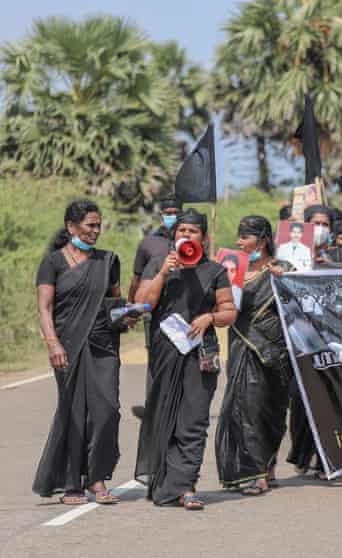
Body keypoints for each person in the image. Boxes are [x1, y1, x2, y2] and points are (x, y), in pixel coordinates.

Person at [134, 209, 237, 510]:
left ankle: (187, 487)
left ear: (204, 237)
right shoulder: (158, 264)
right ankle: (166, 485)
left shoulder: (215, 270)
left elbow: (230, 311)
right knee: (164, 415)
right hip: (165, 353)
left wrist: (209, 317)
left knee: (193, 420)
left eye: (193, 232)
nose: (186, 236)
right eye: (181, 231)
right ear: (173, 235)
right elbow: (143, 303)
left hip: (199, 354)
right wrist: (164, 273)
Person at [34, 200, 130, 505]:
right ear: (71, 227)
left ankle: (97, 475)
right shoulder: (53, 263)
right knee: (74, 412)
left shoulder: (108, 261)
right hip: (68, 347)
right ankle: (74, 482)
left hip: (104, 346)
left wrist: (129, 314)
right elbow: (44, 307)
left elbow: (115, 305)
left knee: (107, 411)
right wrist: (53, 343)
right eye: (90, 225)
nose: (96, 231)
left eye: (99, 225)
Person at [215, 216, 294, 496]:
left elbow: (301, 303)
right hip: (242, 347)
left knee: (271, 411)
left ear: (261, 240)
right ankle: (254, 473)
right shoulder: (230, 271)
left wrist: (286, 282)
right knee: (244, 408)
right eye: (239, 236)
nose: (239, 242)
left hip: (275, 352)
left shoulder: (283, 269)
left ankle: (268, 465)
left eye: (245, 237)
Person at [129, 196, 182, 419]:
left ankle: (178, 407)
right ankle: (154, 409)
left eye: (175, 211)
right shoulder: (148, 243)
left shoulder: (194, 238)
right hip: (154, 308)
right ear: (161, 216)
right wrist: (132, 308)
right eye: (167, 212)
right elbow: (136, 279)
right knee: (155, 356)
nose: (172, 216)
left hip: (181, 308)